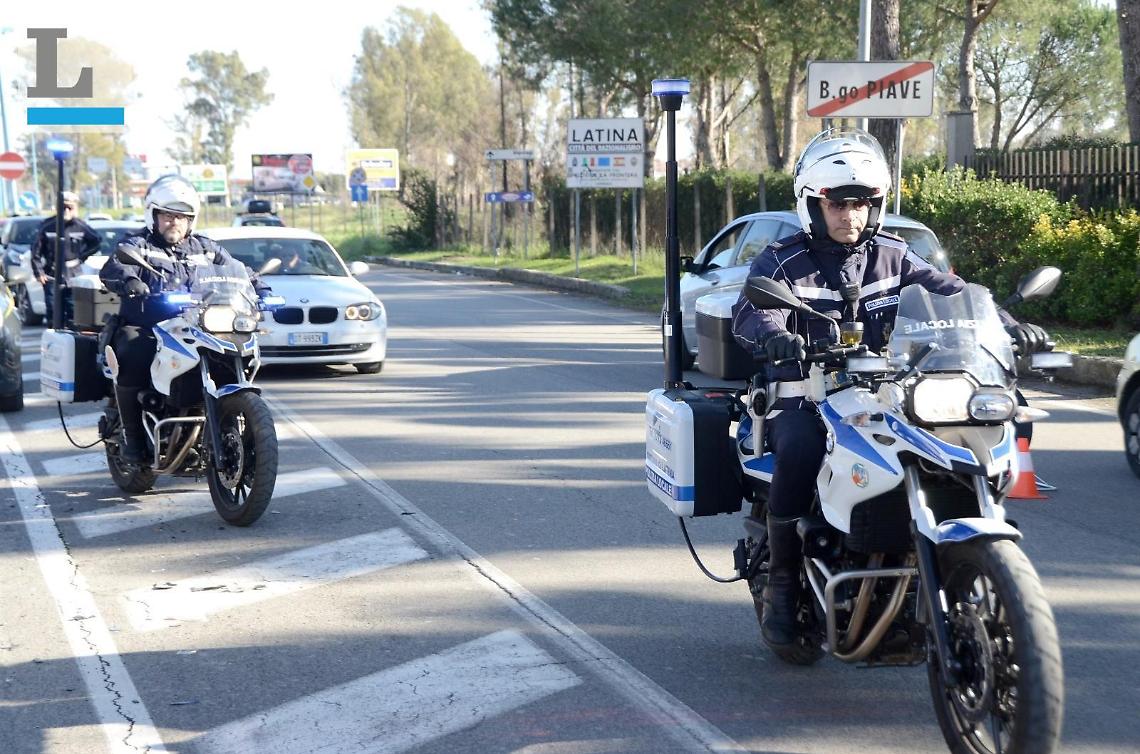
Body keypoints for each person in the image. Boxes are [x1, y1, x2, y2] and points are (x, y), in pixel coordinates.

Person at [730, 128, 1049, 653]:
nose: (850, 214)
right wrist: (775, 337)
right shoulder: (782, 261)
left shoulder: (895, 256)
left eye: (861, 203)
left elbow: (955, 295)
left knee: (969, 429)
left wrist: (1009, 326)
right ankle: (783, 586)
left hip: (888, 393)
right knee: (801, 447)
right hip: (805, 392)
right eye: (837, 203)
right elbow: (751, 311)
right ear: (812, 204)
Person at [99, 175, 269, 465]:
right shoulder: (138, 245)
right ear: (153, 215)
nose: (174, 222)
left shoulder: (207, 248)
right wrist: (130, 281)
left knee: (228, 357)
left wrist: (262, 290)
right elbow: (114, 266)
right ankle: (133, 441)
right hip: (149, 325)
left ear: (191, 220)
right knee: (131, 349)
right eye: (167, 215)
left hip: (197, 325)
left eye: (181, 217)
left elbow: (240, 271)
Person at [30, 190, 102, 326]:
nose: (66, 211)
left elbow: (96, 242)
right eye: (63, 207)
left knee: (73, 310)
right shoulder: (47, 226)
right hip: (52, 274)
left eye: (70, 207)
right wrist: (38, 272)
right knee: (53, 310)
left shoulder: (80, 226)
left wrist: (82, 257)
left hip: (74, 274)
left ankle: (70, 334)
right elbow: (35, 252)